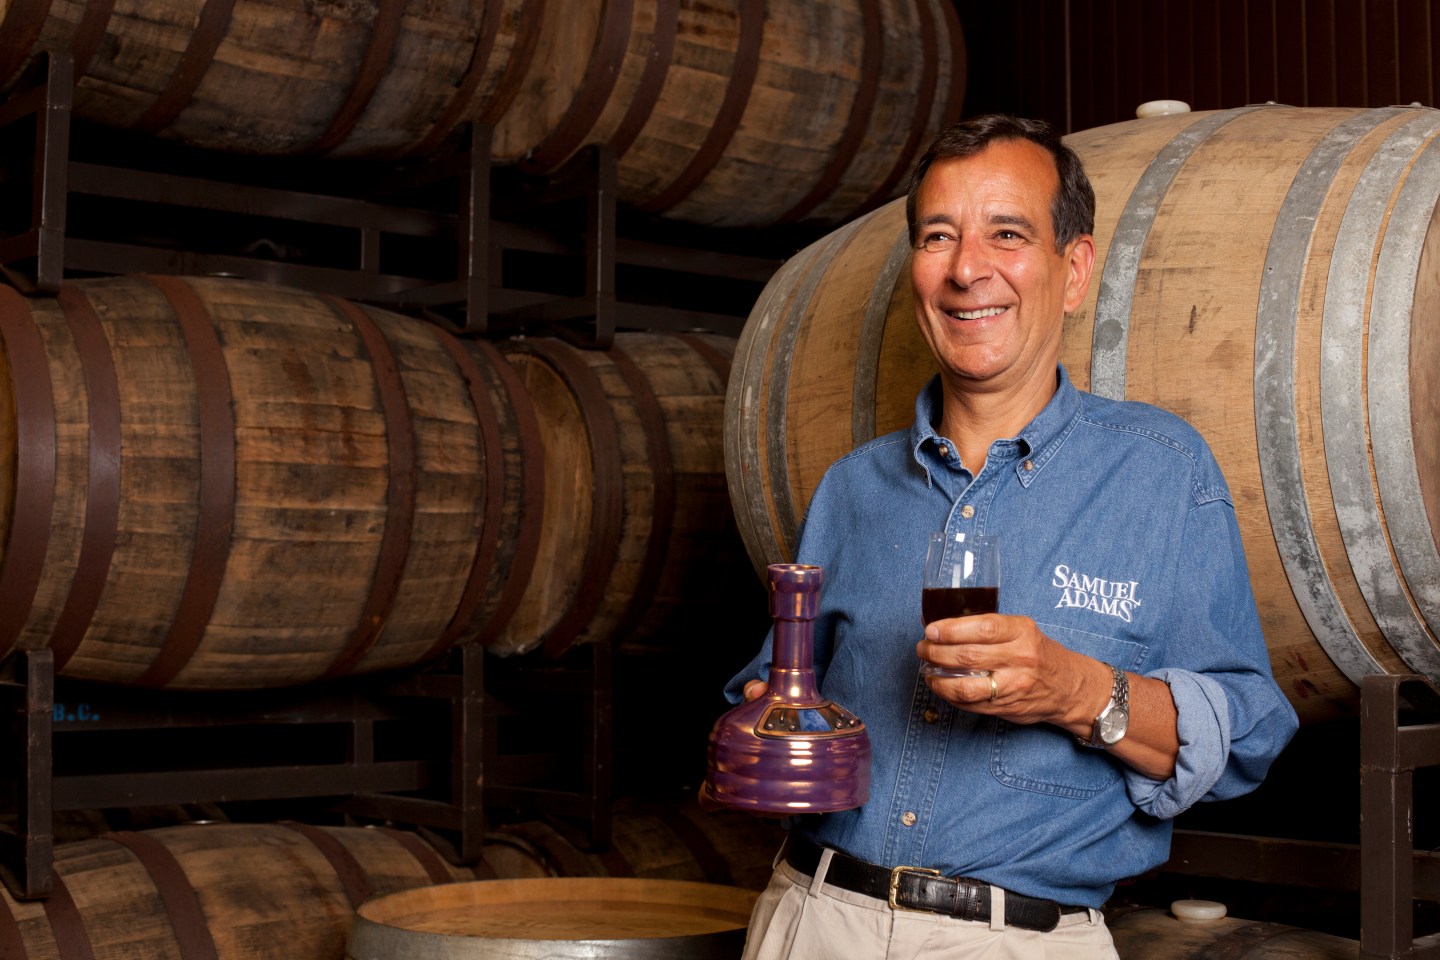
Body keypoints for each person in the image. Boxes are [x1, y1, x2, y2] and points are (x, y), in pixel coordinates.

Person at [720, 115, 1299, 959]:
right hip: (816, 919)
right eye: (938, 236)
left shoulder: (1161, 473)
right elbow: (777, 686)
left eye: (1008, 234)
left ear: (1075, 270)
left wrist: (1075, 691)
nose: (965, 269)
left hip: (1018, 942)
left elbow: (1246, 735)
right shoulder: (851, 488)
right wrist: (764, 721)